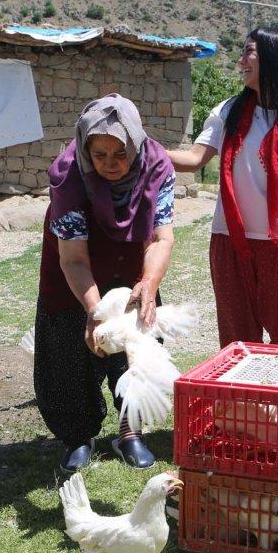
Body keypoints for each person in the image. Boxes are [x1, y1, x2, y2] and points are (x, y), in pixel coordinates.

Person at [32, 94, 177, 474]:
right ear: (85, 149)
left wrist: (148, 280)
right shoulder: (68, 175)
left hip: (132, 266)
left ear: (135, 144)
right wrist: (95, 312)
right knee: (68, 354)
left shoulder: (157, 166)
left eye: (120, 154)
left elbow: (161, 238)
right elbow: (74, 259)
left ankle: (130, 432)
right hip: (72, 271)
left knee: (136, 347)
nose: (111, 165)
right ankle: (77, 435)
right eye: (100, 155)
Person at [168, 27, 278, 347]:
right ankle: (241, 400)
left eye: (249, 52)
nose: (241, 60)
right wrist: (145, 150)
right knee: (237, 342)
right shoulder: (228, 111)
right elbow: (194, 158)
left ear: (275, 58)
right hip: (230, 242)